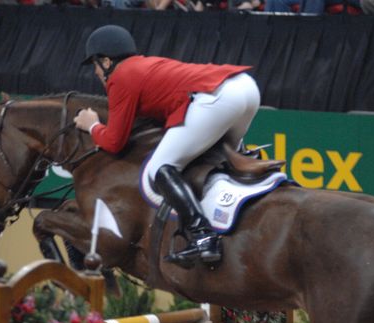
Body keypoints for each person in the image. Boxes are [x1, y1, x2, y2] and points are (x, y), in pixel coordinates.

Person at [73, 25, 260, 268]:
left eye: (95, 65)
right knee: (219, 160)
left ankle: (203, 235)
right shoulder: (144, 65)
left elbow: (114, 142)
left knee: (160, 168)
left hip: (218, 98)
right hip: (246, 87)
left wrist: (92, 126)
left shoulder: (120, 76)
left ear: (107, 61)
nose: (96, 72)